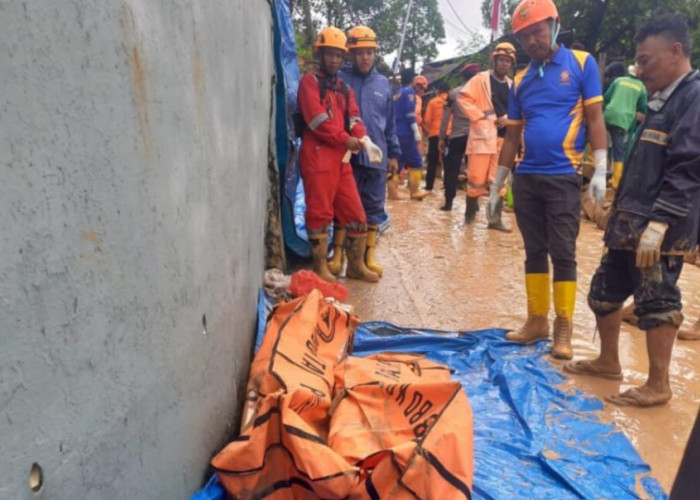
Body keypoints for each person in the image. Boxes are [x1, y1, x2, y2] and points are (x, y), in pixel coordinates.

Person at [564, 14, 700, 407]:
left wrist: (660, 223)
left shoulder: (693, 98)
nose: (639, 70)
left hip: (661, 226)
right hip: (629, 221)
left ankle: (658, 384)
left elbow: (688, 166)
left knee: (656, 302)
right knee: (604, 294)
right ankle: (609, 362)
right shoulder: (660, 99)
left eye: (646, 60)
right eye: (638, 61)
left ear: (676, 52)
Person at [487, 0, 608, 359]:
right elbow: (511, 137)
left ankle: (563, 327)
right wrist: (497, 185)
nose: (532, 42)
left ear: (555, 25)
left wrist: (600, 168)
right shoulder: (520, 80)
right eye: (525, 37)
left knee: (564, 252)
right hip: (527, 179)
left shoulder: (582, 63)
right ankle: (537, 319)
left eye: (537, 32)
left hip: (563, 177)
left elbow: (596, 119)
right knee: (534, 251)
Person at [297, 27, 383, 283]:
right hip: (317, 156)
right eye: (330, 55)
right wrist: (346, 138)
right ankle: (319, 267)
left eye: (338, 56)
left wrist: (363, 137)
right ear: (320, 54)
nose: (335, 60)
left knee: (355, 213)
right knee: (319, 212)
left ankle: (355, 266)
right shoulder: (309, 83)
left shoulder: (344, 88)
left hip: (340, 158)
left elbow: (354, 116)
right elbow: (316, 120)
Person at [338, 25, 401, 278]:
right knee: (343, 205)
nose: (364, 57)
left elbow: (391, 124)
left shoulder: (383, 84)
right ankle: (339, 256)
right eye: (359, 52)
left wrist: (395, 155)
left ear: (375, 54)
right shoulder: (340, 80)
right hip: (348, 156)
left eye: (369, 52)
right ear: (350, 55)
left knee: (373, 206)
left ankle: (367, 256)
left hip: (377, 156)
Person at [457, 42, 515, 230]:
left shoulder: (512, 85)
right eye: (501, 60)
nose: (504, 64)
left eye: (507, 61)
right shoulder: (480, 80)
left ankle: (494, 219)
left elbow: (518, 110)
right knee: (475, 178)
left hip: (503, 139)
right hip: (483, 137)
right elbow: (463, 99)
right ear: (494, 60)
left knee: (498, 181)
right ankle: (469, 216)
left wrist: (508, 119)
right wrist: (481, 117)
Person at [439, 63, 480, 211]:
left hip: (457, 136)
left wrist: (441, 138)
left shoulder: (454, 93)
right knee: (475, 171)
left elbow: (445, 117)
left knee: (451, 170)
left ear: (463, 76)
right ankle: (473, 205)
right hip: (476, 137)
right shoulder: (481, 93)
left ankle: (448, 203)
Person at [603, 62, 648, 190]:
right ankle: (616, 181)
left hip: (608, 114)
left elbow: (606, 97)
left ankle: (591, 167)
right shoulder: (641, 88)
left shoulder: (619, 81)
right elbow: (643, 108)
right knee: (619, 151)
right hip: (623, 120)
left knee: (597, 141)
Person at [394, 69, 428, 200]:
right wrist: (415, 131)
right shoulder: (410, 93)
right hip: (407, 133)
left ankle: (392, 195)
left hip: (396, 132)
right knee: (416, 162)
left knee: (397, 163)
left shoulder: (397, 93)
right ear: (415, 82)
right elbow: (410, 114)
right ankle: (414, 192)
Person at [423, 80, 451, 191]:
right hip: (449, 134)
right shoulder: (452, 102)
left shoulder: (433, 102)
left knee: (432, 161)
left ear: (438, 91)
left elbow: (427, 119)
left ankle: (429, 186)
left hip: (434, 134)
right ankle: (447, 185)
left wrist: (429, 130)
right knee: (447, 161)